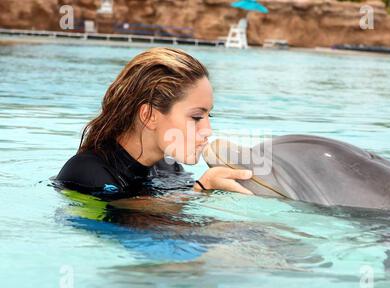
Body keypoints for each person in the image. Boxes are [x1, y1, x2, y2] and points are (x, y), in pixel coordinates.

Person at [56, 47, 253, 200]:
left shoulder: (169, 169)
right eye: (196, 117)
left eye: (210, 116)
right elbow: (132, 224)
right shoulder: (85, 172)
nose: (208, 130)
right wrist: (201, 188)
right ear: (149, 115)